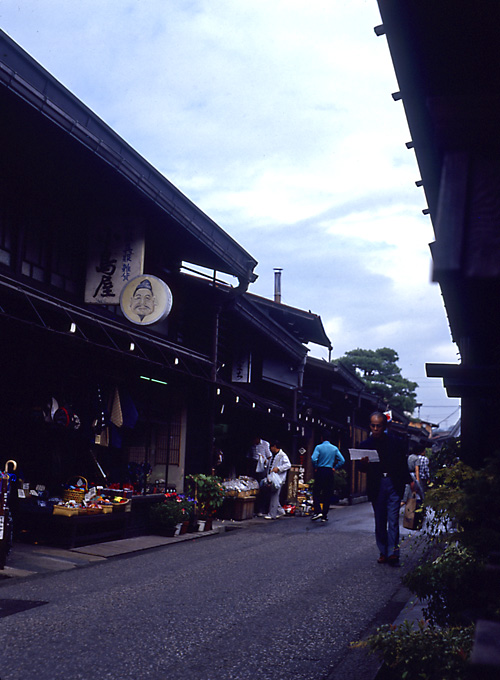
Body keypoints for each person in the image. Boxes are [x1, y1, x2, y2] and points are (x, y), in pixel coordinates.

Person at [359, 412, 411, 566]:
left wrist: (409, 482)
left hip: (394, 483)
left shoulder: (396, 443)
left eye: (378, 426)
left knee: (393, 520)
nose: (375, 429)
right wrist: (364, 463)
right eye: (373, 426)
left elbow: (403, 465)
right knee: (380, 521)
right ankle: (383, 551)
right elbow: (361, 470)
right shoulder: (365, 445)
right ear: (370, 426)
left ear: (385, 426)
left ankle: (393, 552)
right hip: (377, 484)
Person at [310, 432, 345, 522]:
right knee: (327, 493)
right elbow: (342, 460)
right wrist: (335, 468)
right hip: (329, 471)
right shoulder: (334, 448)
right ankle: (324, 515)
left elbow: (313, 458)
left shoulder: (318, 447)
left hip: (320, 470)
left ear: (322, 438)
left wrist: (316, 466)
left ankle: (318, 511)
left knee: (316, 491)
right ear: (329, 439)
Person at [264, 440, 291, 520]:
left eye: (271, 447)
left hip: (278, 479)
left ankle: (272, 514)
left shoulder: (282, 455)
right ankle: (280, 511)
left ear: (274, 446)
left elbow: (288, 465)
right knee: (274, 496)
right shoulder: (274, 455)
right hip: (273, 478)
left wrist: (279, 468)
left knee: (274, 495)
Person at [247, 436, 272, 516]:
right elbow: (248, 456)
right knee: (253, 486)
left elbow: (269, 456)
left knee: (262, 488)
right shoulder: (252, 446)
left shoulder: (265, 444)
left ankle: (261, 509)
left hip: (262, 466)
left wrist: (265, 463)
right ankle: (254, 509)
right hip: (253, 465)